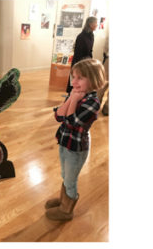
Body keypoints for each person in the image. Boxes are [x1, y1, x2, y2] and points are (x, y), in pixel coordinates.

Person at [46, 59, 106, 221]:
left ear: (93, 79)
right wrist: (71, 98)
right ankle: (63, 199)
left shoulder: (92, 103)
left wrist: (72, 100)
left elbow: (72, 122)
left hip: (76, 148)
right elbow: (59, 116)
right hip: (65, 142)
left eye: (80, 78)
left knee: (71, 180)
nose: (74, 81)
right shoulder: (77, 94)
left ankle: (66, 211)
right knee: (65, 175)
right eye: (73, 77)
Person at [67, 17, 97, 94]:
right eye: (95, 23)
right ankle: (70, 97)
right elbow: (78, 53)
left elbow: (90, 50)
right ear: (90, 24)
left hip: (86, 62)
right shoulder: (81, 37)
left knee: (83, 83)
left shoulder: (91, 35)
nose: (97, 25)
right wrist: (78, 66)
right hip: (79, 62)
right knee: (76, 82)